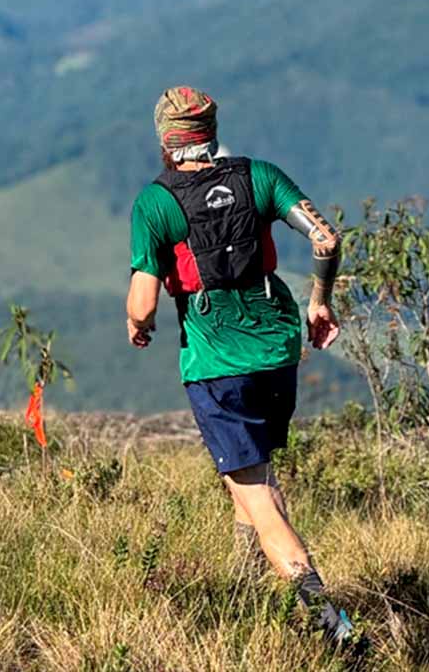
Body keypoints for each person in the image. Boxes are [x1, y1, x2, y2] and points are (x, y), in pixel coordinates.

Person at [126, 86, 353, 642]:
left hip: (217, 359)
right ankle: (246, 586)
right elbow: (325, 238)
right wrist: (320, 301)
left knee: (254, 490)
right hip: (277, 349)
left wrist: (139, 325)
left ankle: (331, 621)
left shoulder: (156, 203)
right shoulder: (261, 176)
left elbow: (144, 302)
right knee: (254, 472)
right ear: (210, 129)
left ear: (165, 139)